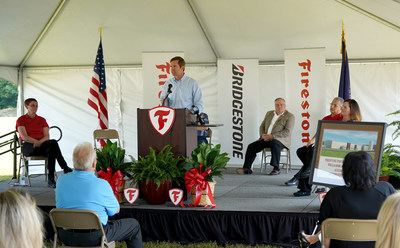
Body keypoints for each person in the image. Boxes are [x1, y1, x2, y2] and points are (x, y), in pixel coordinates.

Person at [298, 151, 395, 248]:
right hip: (380, 244)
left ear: (346, 171)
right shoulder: (386, 189)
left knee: (330, 225)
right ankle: (311, 239)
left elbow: (326, 226)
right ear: (372, 169)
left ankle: (311, 239)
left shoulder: (334, 195)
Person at [55, 142, 143, 248]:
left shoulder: (61, 180)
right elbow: (115, 211)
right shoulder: (101, 184)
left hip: (65, 235)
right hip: (94, 237)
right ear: (94, 164)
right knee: (133, 225)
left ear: (73, 161)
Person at [293, 98, 361, 196]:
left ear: (352, 110)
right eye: (341, 106)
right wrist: (314, 140)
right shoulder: (337, 119)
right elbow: (321, 132)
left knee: (311, 156)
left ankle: (305, 184)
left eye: (344, 107)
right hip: (326, 147)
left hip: (340, 151)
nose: (341, 108)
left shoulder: (354, 123)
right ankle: (309, 170)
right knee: (303, 152)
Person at [285, 97, 344, 187]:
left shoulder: (341, 119)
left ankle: (299, 177)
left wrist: (316, 142)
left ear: (341, 107)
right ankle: (311, 169)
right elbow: (318, 133)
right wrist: (311, 140)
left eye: (335, 105)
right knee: (301, 151)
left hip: (329, 146)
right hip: (319, 144)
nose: (332, 107)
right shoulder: (326, 118)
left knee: (311, 153)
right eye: (331, 104)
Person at [16, 98, 72, 188]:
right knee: (53, 143)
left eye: (37, 106)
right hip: (28, 145)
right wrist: (35, 141)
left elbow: (47, 136)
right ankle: (65, 168)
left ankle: (51, 180)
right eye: (33, 105)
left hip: (41, 144)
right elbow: (24, 137)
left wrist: (39, 142)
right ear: (26, 106)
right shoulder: (21, 120)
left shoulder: (42, 120)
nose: (35, 107)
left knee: (51, 150)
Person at [236, 98, 295, 175]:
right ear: (275, 105)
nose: (279, 106)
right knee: (251, 146)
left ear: (285, 105)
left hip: (281, 140)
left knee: (274, 143)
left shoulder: (290, 116)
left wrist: (273, 136)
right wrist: (263, 135)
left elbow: (287, 131)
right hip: (266, 139)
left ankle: (276, 168)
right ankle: (247, 168)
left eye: (281, 104)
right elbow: (262, 126)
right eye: (277, 104)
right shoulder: (269, 113)